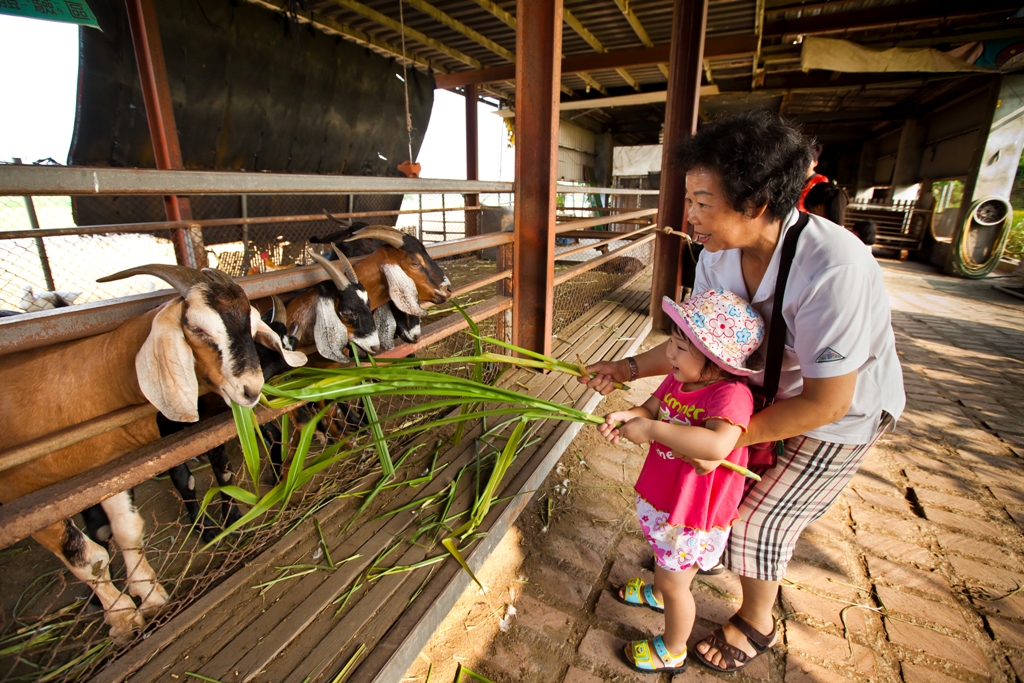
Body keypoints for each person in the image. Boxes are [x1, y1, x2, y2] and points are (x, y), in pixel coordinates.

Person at [581, 109, 904, 674]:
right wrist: (628, 368)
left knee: (758, 518)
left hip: (837, 412)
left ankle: (756, 620)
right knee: (716, 504)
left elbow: (827, 401)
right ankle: (676, 575)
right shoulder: (714, 255)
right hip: (754, 398)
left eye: (704, 203)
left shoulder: (834, 268)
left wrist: (718, 438)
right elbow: (697, 349)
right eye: (689, 199)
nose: (690, 216)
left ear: (756, 204)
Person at [601, 289, 763, 674]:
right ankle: (658, 592)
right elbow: (653, 407)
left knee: (678, 583)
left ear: (715, 359)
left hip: (692, 514)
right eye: (671, 343)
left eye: (679, 347)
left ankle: (673, 648)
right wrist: (631, 415)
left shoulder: (730, 396)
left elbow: (717, 443)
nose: (669, 355)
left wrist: (653, 429)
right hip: (668, 499)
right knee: (667, 564)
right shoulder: (679, 381)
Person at [797, 143, 827, 212]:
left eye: (808, 160)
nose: (804, 163)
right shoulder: (796, 179)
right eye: (802, 160)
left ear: (815, 163)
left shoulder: (821, 180)